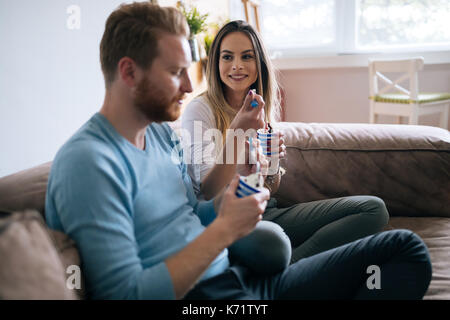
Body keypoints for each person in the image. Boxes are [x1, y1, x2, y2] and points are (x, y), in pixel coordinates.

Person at [45, 2, 432, 300]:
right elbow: (126, 294)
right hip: (211, 298)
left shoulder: (162, 136)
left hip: (243, 279)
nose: (186, 86)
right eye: (175, 72)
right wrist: (223, 231)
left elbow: (196, 207)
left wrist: (237, 193)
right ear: (129, 72)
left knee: (405, 250)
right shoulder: (89, 163)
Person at [181, 20, 390, 264]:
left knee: (373, 210)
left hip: (267, 212)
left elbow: (267, 189)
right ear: (216, 63)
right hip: (228, 219)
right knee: (274, 244)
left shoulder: (259, 106)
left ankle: (293, 266)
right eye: (227, 57)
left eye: (246, 57)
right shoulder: (200, 110)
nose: (237, 66)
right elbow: (207, 193)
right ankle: (296, 269)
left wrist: (270, 168)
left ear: (259, 63)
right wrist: (238, 140)